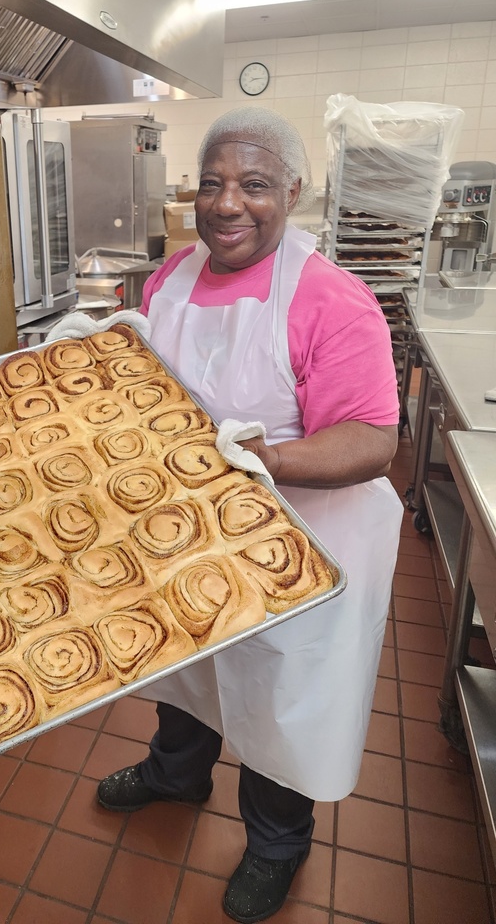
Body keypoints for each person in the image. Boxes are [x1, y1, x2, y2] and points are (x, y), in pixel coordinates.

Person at [95, 107, 404, 923]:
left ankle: (274, 845)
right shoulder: (173, 278)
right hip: (192, 537)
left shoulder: (333, 300)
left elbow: (372, 440)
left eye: (255, 185)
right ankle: (174, 775)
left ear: (293, 194)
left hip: (300, 549)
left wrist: (262, 461)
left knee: (277, 699)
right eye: (213, 183)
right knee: (185, 666)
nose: (229, 203)